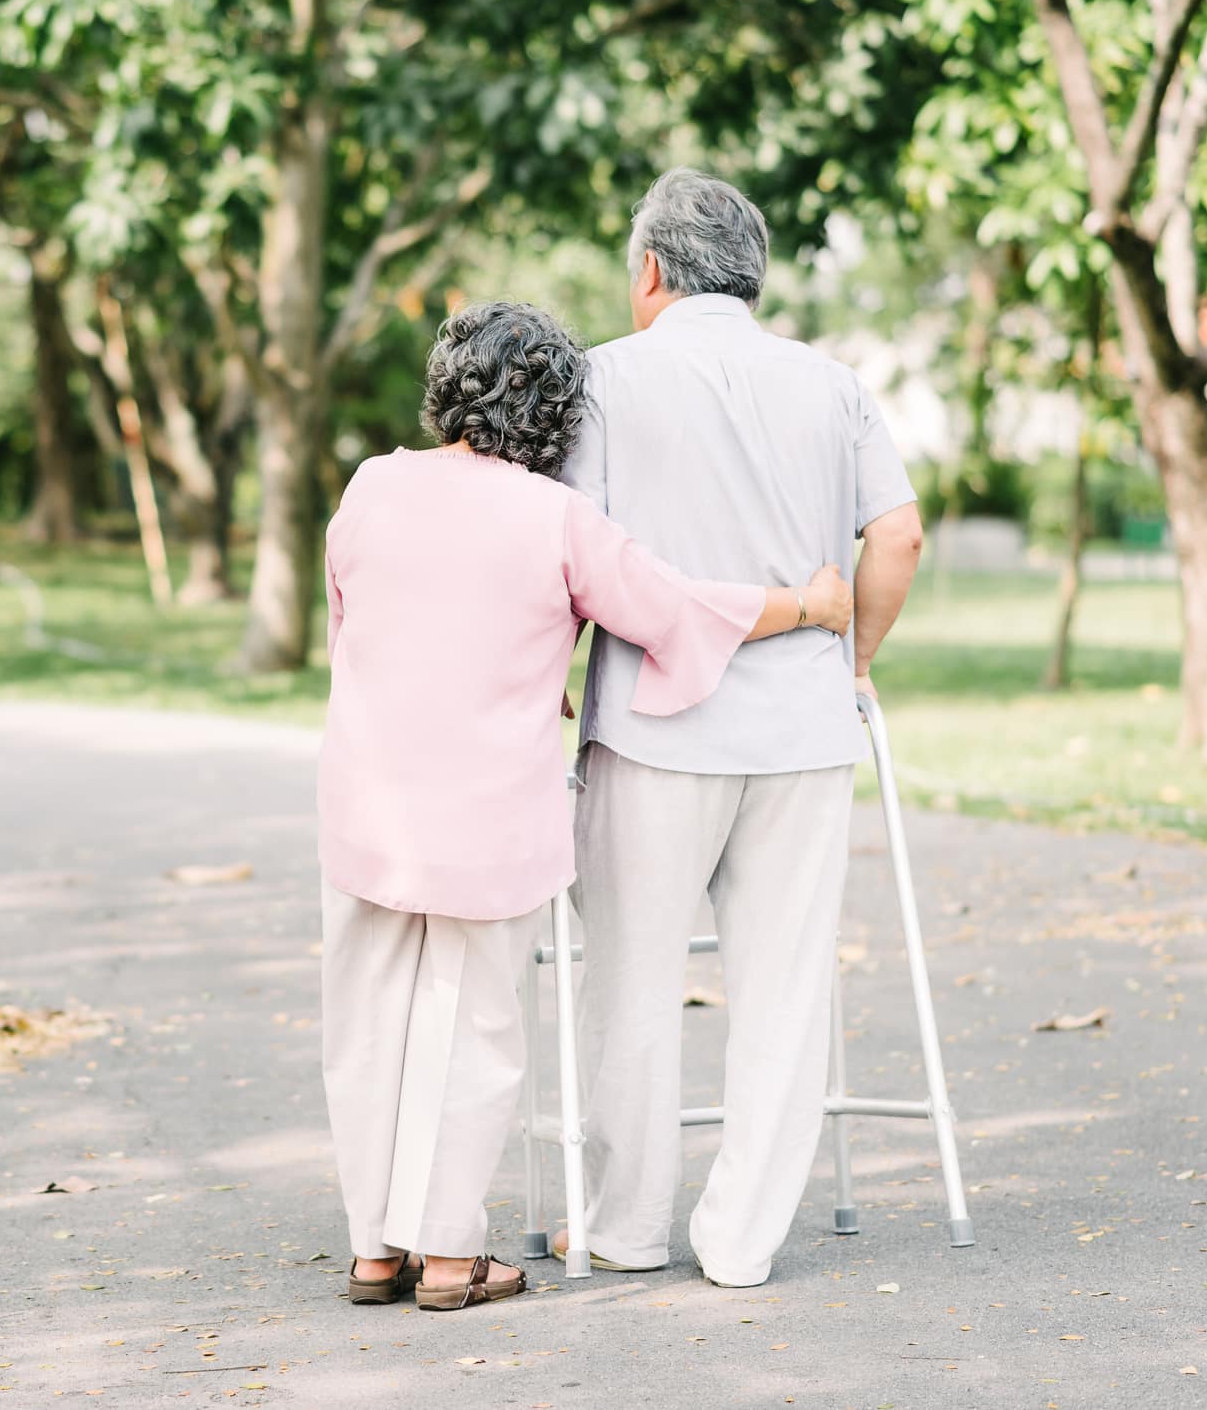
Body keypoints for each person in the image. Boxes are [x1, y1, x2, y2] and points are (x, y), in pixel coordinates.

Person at [318, 300, 854, 1312]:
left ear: (445, 386)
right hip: (489, 820)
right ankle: (445, 1253)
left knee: (367, 1018)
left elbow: (351, 622)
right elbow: (673, 607)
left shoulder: (370, 485)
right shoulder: (553, 517)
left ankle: (372, 1248)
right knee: (474, 1025)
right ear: (557, 414)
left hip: (368, 803)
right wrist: (813, 605)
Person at [554, 169, 926, 1288]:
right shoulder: (831, 383)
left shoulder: (605, 380)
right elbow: (897, 536)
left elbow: (566, 545)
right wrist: (850, 659)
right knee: (783, 984)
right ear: (751, 275)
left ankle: (623, 1228)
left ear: (652, 271)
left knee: (630, 979)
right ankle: (742, 1239)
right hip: (803, 727)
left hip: (655, 731)